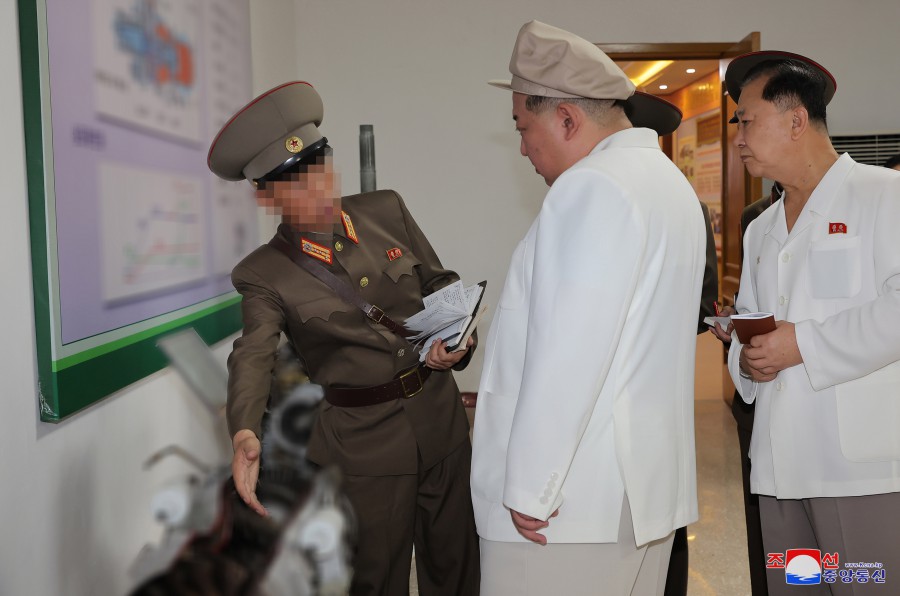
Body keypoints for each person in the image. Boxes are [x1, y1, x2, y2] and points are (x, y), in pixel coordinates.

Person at [207, 81, 480, 595]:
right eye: (295, 182)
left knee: (458, 568)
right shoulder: (263, 272)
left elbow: (438, 284)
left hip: (440, 422)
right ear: (266, 196)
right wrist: (244, 431)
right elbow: (253, 354)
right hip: (364, 447)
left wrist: (458, 339)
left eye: (319, 166)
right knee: (376, 581)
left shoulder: (386, 209)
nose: (317, 187)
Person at [470, 21, 707, 595]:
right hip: (640, 493)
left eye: (524, 128)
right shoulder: (667, 182)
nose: (523, 147)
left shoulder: (592, 186)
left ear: (567, 118)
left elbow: (570, 351)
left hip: (569, 507)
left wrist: (531, 485)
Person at [725, 50, 900, 594]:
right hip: (780, 468)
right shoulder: (760, 229)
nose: (738, 139)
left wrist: (802, 344)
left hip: (858, 473)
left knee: (864, 584)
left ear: (796, 119)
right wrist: (747, 361)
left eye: (747, 122)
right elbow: (751, 321)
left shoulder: (884, 195)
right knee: (795, 587)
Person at [710, 180, 782, 596]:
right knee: (766, 534)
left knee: (844, 561)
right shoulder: (755, 217)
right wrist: (735, 322)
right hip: (757, 392)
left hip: (814, 397)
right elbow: (752, 296)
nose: (742, 147)